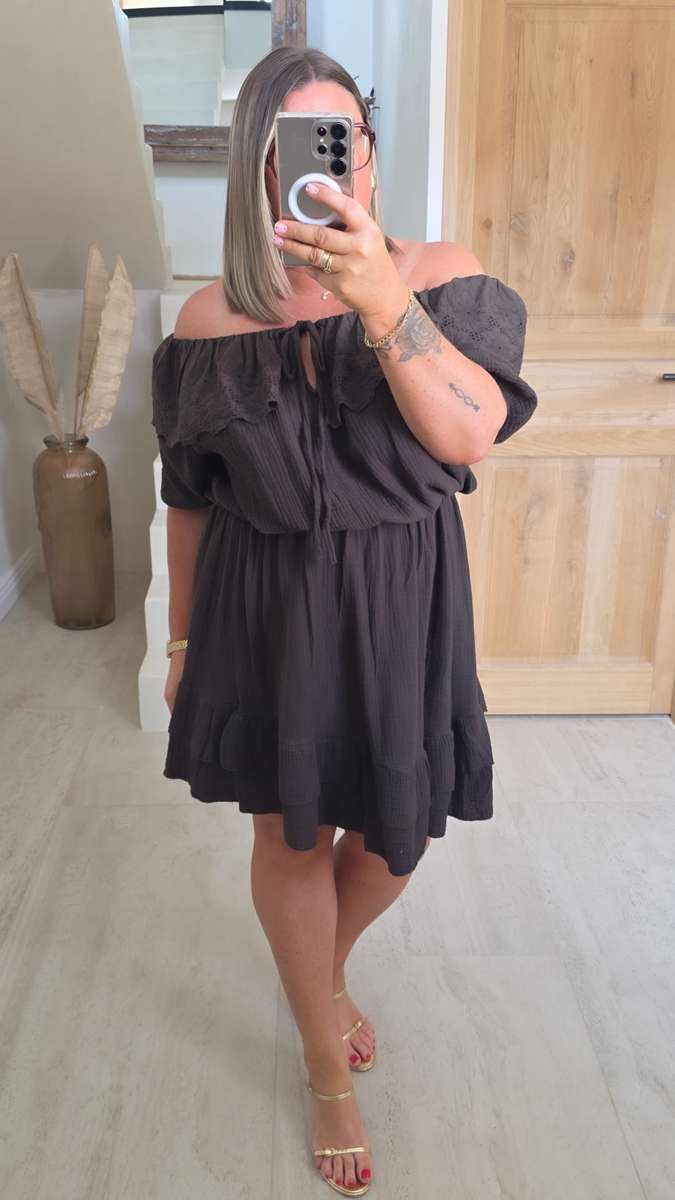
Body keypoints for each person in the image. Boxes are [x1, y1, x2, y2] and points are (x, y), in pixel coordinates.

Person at [151, 44, 538, 1198]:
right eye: (298, 150)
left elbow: (471, 432)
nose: (330, 170)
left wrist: (382, 302)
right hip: (264, 605)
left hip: (403, 603)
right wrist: (180, 640)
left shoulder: (442, 277)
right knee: (291, 838)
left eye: (344, 141)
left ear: (368, 150)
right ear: (262, 169)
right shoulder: (211, 320)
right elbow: (188, 498)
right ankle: (325, 1063)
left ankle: (318, 976)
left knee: (388, 840)